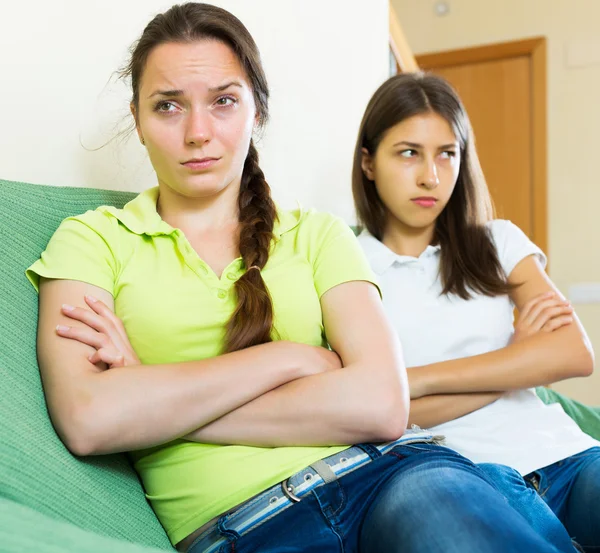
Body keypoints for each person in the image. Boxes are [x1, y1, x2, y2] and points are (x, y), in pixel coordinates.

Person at [26, 4, 577, 552]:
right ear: (139, 121)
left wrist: (151, 400)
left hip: (395, 477)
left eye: (223, 101)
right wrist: (287, 359)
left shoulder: (319, 235)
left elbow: (383, 404)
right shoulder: (91, 241)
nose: (198, 133)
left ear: (256, 113)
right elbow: (89, 418)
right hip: (243, 528)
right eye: (168, 106)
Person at [353, 71, 600, 552]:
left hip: (566, 456)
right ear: (368, 162)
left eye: (447, 154)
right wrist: (518, 357)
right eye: (409, 153)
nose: (431, 176)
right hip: (459, 480)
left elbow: (574, 353)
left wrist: (417, 380)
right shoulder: (348, 266)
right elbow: (378, 415)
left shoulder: (498, 241)